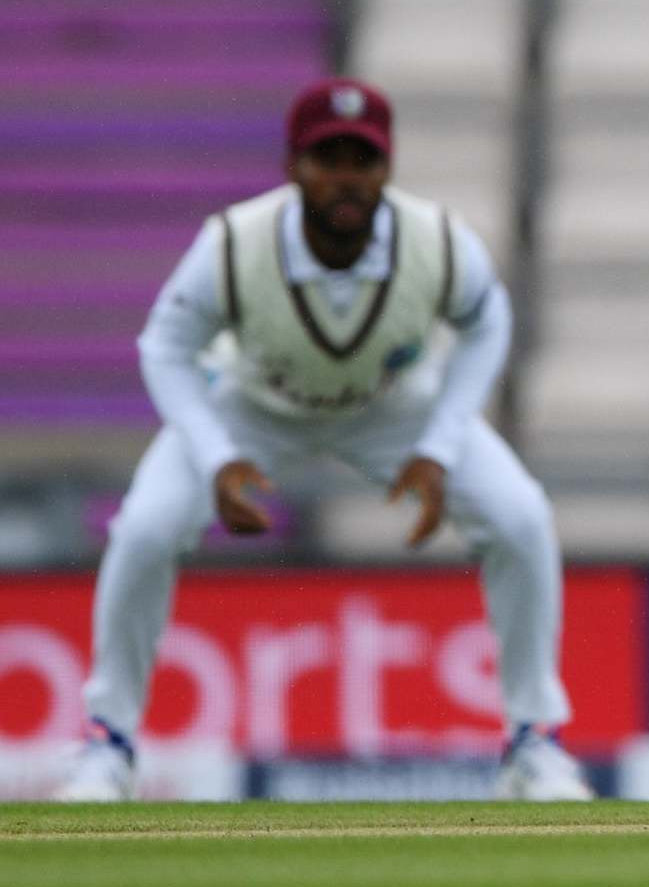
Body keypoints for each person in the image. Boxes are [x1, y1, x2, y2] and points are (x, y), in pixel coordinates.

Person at [52, 79, 592, 803]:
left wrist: (438, 445)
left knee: (520, 516)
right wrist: (217, 456)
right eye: (326, 159)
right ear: (292, 166)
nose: (345, 178)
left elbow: (487, 321)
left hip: (392, 405)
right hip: (252, 404)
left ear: (387, 167)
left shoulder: (436, 240)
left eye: (361, 160)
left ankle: (535, 739)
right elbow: (165, 347)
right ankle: (107, 743)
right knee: (146, 529)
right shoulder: (234, 242)